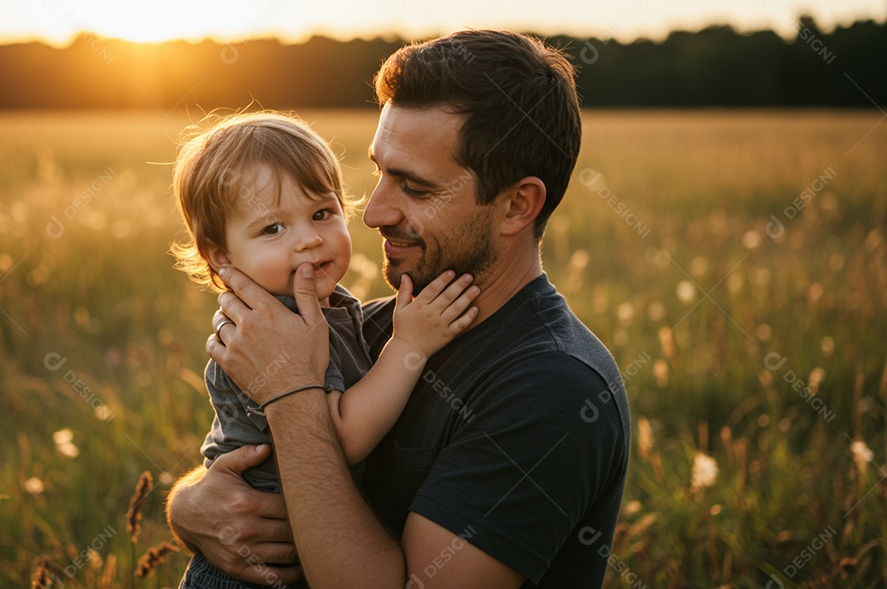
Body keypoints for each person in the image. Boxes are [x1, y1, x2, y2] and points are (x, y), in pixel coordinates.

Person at [168, 30, 631, 588]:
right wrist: (191, 505)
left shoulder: (553, 390)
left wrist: (290, 393)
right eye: (380, 173)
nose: (373, 213)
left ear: (516, 205)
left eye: (414, 187)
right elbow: (252, 450)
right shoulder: (373, 326)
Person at [169, 111, 481, 588]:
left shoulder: (328, 307)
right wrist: (409, 345)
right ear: (221, 255)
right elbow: (343, 439)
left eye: (322, 213)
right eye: (273, 229)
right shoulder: (276, 327)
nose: (310, 239)